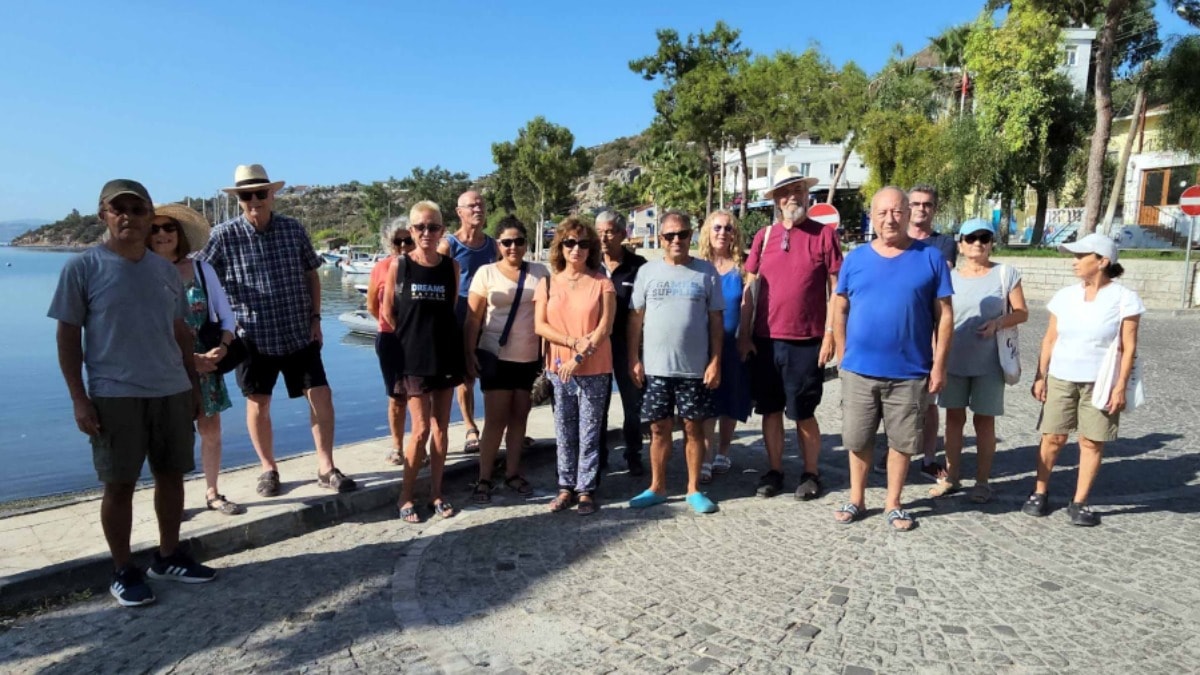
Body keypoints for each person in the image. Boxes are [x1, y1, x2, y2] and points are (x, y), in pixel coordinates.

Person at [49, 179, 215, 607]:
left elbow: (180, 332)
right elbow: (67, 336)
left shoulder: (164, 270)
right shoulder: (83, 268)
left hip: (171, 390)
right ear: (103, 215)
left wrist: (193, 387)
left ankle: (168, 556)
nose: (128, 217)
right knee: (119, 484)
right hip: (114, 394)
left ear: (149, 216)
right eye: (118, 209)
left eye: (137, 209)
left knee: (172, 476)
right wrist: (79, 398)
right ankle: (123, 570)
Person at [198, 164, 356, 496]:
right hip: (252, 336)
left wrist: (316, 318)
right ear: (239, 199)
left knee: (321, 396)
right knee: (259, 403)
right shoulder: (223, 236)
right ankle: (268, 468)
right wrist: (220, 322)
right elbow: (200, 276)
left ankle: (326, 467)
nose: (254, 200)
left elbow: (312, 274)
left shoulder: (293, 229)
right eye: (246, 195)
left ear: (272, 194)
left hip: (299, 331)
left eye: (260, 193)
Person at [832, 186, 953, 532]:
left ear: (908, 214)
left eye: (897, 212)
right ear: (872, 216)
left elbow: (945, 315)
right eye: (883, 212)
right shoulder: (855, 259)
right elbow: (839, 307)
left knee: (902, 442)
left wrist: (939, 364)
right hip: (859, 370)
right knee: (858, 439)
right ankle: (857, 499)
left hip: (910, 372)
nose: (890, 219)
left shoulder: (929, 258)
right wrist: (841, 353)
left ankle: (894, 503)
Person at [739, 166, 842, 500]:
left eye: (798, 190)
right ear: (776, 200)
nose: (792, 197)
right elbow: (750, 288)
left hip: (807, 342)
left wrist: (831, 334)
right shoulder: (764, 236)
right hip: (766, 341)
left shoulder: (824, 235)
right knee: (770, 410)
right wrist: (744, 334)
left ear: (807, 195)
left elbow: (837, 289)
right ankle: (775, 471)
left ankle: (811, 473)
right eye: (785, 192)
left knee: (803, 412)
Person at [1026, 233, 1143, 527]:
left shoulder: (1124, 299)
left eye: (1081, 256)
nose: (1074, 262)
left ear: (1102, 261)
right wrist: (1040, 375)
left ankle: (1079, 502)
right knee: (1052, 437)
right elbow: (1049, 339)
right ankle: (1039, 492)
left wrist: (1120, 386)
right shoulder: (1065, 296)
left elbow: (1128, 347)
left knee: (1091, 442)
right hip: (1061, 377)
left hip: (1100, 383)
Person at [148, 203, 244, 516]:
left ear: (180, 233)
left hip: (206, 363)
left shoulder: (202, 269)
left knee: (210, 431)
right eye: (155, 228)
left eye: (169, 227)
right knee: (170, 437)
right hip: (164, 366)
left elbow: (227, 316)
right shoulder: (142, 274)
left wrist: (223, 347)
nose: (162, 234)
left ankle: (213, 492)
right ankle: (172, 500)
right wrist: (189, 359)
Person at [628, 210, 724, 515]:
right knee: (658, 429)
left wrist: (716, 361)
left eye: (682, 234)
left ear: (690, 235)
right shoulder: (647, 272)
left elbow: (716, 321)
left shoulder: (706, 272)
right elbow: (635, 320)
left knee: (694, 429)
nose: (676, 240)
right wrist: (633, 358)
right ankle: (657, 487)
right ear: (661, 238)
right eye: (669, 235)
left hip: (694, 369)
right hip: (656, 368)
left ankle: (694, 488)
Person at [932, 220, 1028, 503]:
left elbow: (1022, 312)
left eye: (984, 238)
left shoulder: (1005, 274)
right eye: (971, 238)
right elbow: (938, 319)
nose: (978, 243)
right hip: (953, 360)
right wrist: (935, 357)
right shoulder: (948, 277)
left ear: (991, 243)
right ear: (960, 244)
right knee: (953, 420)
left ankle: (983, 482)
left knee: (984, 422)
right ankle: (951, 477)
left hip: (989, 363)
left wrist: (998, 323)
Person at [383, 201, 465, 523]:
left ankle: (436, 493)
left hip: (445, 356)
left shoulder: (451, 268)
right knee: (419, 430)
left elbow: (450, 311)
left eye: (433, 227)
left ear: (442, 230)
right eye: (420, 227)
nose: (426, 233)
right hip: (413, 360)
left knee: (441, 428)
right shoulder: (400, 266)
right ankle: (405, 495)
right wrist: (409, 341)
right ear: (411, 230)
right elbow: (388, 312)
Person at [464, 216, 549, 504]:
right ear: (498, 245)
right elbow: (473, 319)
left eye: (519, 241)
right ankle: (484, 477)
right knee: (495, 420)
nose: (513, 247)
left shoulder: (540, 272)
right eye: (507, 242)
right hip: (495, 357)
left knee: (519, 417)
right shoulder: (486, 273)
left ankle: (513, 472)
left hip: (529, 358)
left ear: (526, 243)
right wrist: (468, 354)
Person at [534, 217, 615, 516]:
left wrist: (578, 357)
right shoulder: (548, 283)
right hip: (558, 370)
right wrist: (570, 343)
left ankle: (586, 490)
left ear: (591, 248)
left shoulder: (602, 283)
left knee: (590, 433)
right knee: (564, 432)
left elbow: (604, 327)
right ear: (561, 246)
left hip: (595, 368)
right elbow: (540, 325)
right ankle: (565, 486)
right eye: (569, 242)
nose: (576, 249)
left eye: (582, 243)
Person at [888, 184, 958, 480]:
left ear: (934, 209)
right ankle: (892, 452)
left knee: (928, 401)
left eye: (927, 204)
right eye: (915, 204)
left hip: (927, 334)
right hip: (894, 332)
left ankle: (928, 457)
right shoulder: (893, 239)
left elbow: (935, 283)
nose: (921, 209)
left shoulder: (943, 244)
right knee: (889, 398)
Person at [438, 190, 498, 455]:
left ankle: (497, 426)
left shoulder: (494, 246)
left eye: (481, 205)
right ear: (459, 211)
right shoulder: (448, 246)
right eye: (472, 205)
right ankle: (470, 427)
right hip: (459, 316)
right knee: (465, 378)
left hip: (489, 317)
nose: (478, 209)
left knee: (494, 376)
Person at [697, 210, 750, 482]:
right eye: (717, 227)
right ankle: (705, 455)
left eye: (728, 228)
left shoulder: (743, 268)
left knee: (730, 399)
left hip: (733, 344)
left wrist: (746, 338)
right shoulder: (697, 266)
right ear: (708, 231)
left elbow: (750, 306)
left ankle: (724, 451)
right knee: (707, 401)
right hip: (702, 345)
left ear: (734, 234)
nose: (722, 233)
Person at [596, 210, 648, 476]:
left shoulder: (639, 266)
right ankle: (599, 456)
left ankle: (633, 454)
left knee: (632, 404)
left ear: (623, 234)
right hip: (597, 346)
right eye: (599, 232)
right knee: (598, 405)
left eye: (609, 232)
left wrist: (637, 354)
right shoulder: (589, 263)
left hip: (629, 345)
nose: (604, 238)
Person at [366, 217, 415, 466]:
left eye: (409, 240)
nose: (404, 245)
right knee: (397, 396)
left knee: (420, 396)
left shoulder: (425, 266)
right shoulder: (381, 268)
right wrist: (391, 326)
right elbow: (372, 306)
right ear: (390, 243)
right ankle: (397, 446)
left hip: (419, 340)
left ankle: (418, 446)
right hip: (390, 339)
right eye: (399, 241)